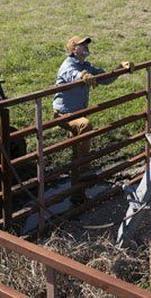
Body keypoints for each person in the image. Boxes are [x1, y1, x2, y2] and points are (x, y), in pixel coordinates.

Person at [52, 35, 131, 198]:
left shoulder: (85, 65)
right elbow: (72, 74)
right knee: (84, 125)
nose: (86, 47)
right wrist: (83, 77)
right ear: (73, 49)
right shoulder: (68, 65)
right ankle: (84, 170)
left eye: (86, 44)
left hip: (78, 111)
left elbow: (104, 79)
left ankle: (76, 190)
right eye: (82, 45)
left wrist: (121, 68)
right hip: (64, 113)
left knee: (77, 147)